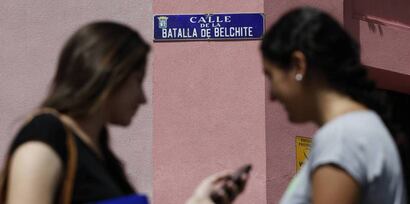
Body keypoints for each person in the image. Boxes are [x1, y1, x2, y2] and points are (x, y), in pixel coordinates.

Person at [0, 22, 247, 204]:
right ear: (111, 75)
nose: (143, 98)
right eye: (138, 81)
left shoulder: (99, 152)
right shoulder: (46, 134)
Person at [260, 7, 406, 204]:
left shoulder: (342, 138)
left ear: (298, 65)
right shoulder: (356, 131)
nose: (271, 95)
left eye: (271, 75)